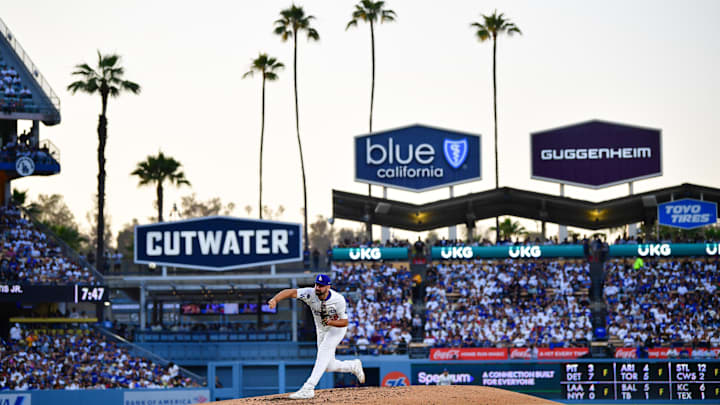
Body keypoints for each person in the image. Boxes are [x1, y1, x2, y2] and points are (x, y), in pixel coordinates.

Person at [268, 274, 364, 399]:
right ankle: (353, 366)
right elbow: (290, 292)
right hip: (322, 330)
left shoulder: (338, 299)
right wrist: (275, 299)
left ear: (328, 287)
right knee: (328, 366)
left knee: (324, 351)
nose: (317, 288)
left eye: (321, 286)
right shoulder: (310, 293)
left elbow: (344, 322)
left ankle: (308, 388)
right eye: (316, 284)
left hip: (336, 329)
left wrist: (331, 322)